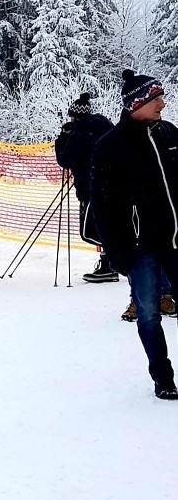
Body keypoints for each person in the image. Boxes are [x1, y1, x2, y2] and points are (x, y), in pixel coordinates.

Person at [91, 69, 178, 400]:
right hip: (139, 248)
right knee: (149, 314)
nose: (162, 105)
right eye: (156, 99)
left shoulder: (170, 134)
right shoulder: (110, 146)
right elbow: (103, 206)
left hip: (174, 240)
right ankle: (163, 377)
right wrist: (118, 253)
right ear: (135, 104)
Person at [54, 92, 116, 283]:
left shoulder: (79, 135)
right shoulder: (106, 129)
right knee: (106, 225)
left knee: (91, 230)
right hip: (111, 186)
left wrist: (61, 140)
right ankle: (111, 263)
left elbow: (64, 160)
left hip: (89, 187)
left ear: (75, 116)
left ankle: (110, 264)